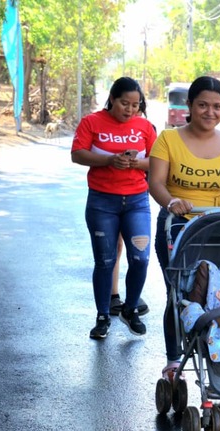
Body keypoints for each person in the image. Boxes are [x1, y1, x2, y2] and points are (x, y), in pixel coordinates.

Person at [149, 76, 220, 381]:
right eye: (203, 105)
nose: (210, 112)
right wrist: (171, 202)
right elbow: (155, 183)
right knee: (179, 293)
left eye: (217, 106)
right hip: (178, 226)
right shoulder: (168, 140)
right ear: (190, 106)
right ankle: (174, 360)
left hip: (218, 227)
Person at [71, 76, 157, 339]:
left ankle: (130, 309)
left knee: (140, 258)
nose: (129, 109)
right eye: (124, 103)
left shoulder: (144, 127)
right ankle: (102, 316)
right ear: (111, 99)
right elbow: (77, 154)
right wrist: (109, 160)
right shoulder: (92, 122)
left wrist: (135, 164)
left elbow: (156, 161)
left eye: (135, 104)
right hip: (102, 202)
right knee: (105, 261)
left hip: (136, 201)